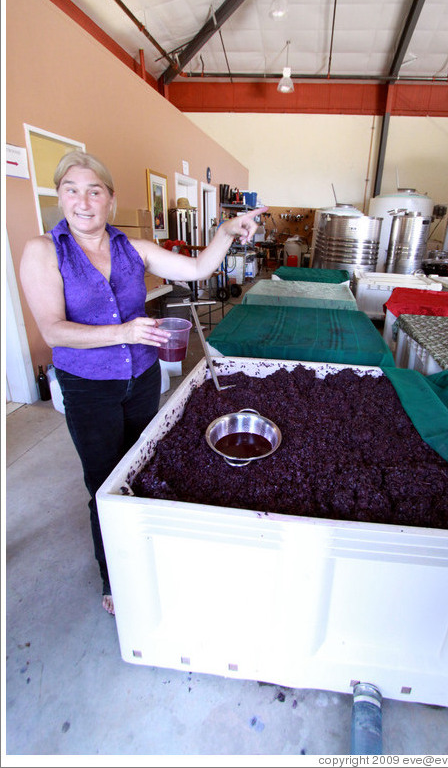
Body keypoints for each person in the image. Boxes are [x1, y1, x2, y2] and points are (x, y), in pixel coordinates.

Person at [19, 151, 265, 615]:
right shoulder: (44, 252)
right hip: (89, 385)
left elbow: (196, 270)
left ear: (110, 199)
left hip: (141, 377)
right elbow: (52, 330)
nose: (83, 200)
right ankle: (113, 573)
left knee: (144, 463)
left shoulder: (132, 247)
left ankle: (147, 547)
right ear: (60, 197)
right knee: (105, 480)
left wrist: (224, 234)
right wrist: (125, 332)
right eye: (71, 189)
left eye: (94, 190)